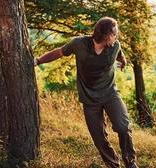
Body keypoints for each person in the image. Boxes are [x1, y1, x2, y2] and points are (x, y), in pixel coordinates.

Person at [35, 17, 138, 168]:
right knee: (98, 138)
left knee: (123, 126)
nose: (117, 36)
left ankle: (131, 163)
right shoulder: (79, 44)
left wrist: (123, 61)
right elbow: (59, 52)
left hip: (110, 94)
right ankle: (113, 164)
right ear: (105, 34)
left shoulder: (115, 45)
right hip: (89, 99)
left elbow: (120, 55)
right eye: (114, 33)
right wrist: (38, 61)